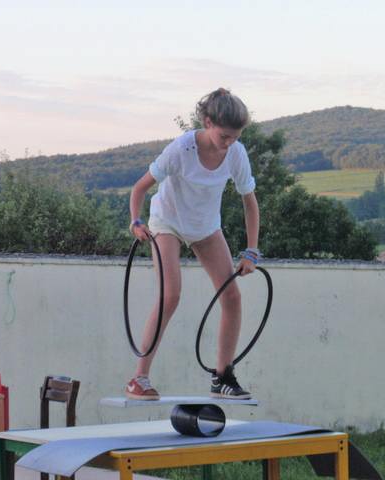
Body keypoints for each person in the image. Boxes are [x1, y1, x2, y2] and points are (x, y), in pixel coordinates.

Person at [126, 88, 261, 400]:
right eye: (224, 136)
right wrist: (135, 221)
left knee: (232, 296)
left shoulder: (236, 153)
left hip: (205, 227)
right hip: (168, 222)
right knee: (171, 295)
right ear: (207, 122)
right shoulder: (181, 149)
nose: (229, 143)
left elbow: (250, 203)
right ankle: (139, 378)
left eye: (236, 137)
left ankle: (223, 377)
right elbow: (139, 188)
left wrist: (251, 251)